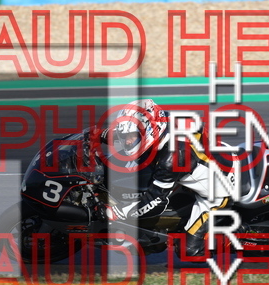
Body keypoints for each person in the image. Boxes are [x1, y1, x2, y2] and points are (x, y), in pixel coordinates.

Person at [100, 99, 238, 257]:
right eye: (125, 137)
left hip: (220, 191)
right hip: (214, 158)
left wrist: (119, 213)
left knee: (188, 250)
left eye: (132, 137)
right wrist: (100, 135)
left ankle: (232, 238)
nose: (128, 141)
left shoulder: (171, 158)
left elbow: (155, 201)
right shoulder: (162, 120)